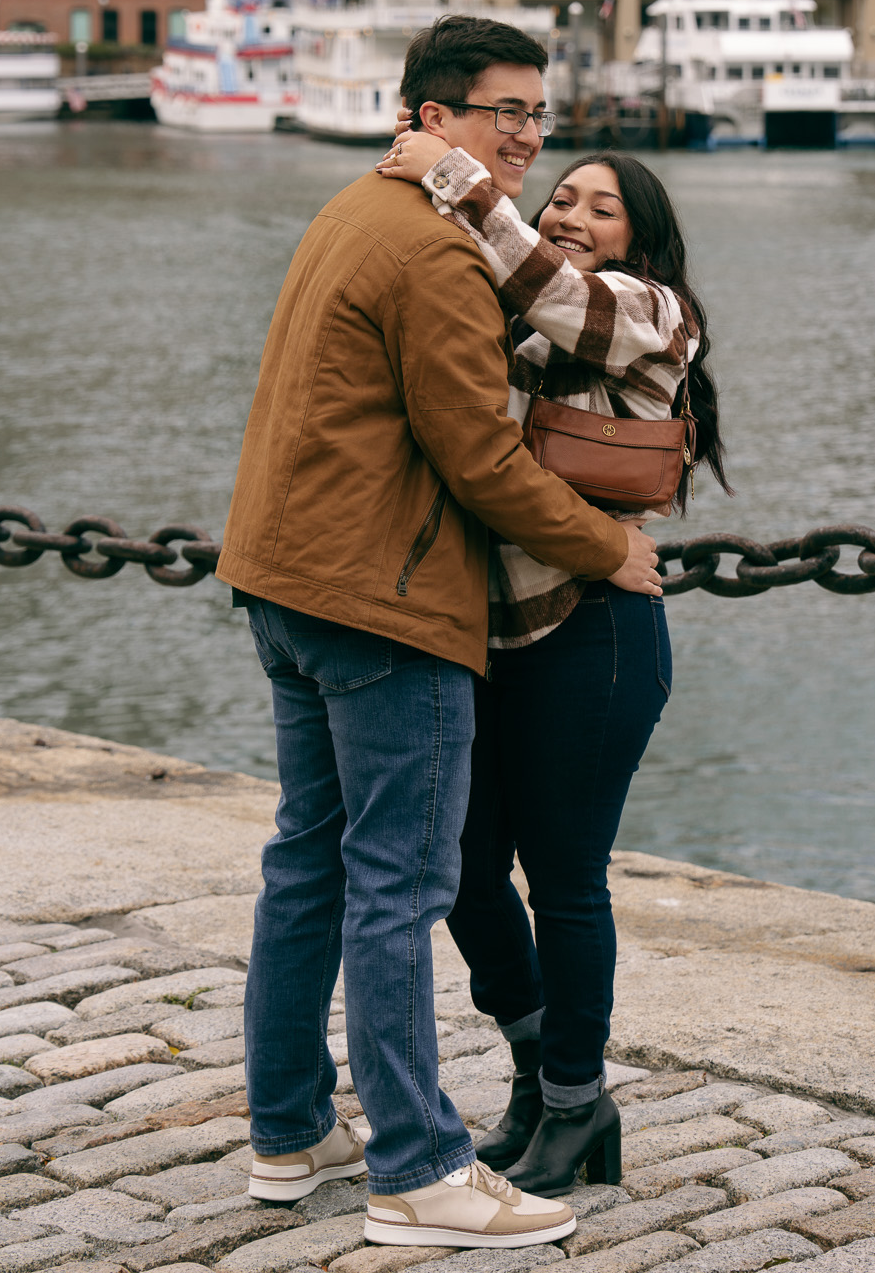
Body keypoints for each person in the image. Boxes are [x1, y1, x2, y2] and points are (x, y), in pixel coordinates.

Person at [217, 16, 664, 1250]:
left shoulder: (353, 212)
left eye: (536, 112)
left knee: (307, 859)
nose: (523, 133)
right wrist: (607, 545)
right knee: (397, 881)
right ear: (428, 117)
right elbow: (477, 457)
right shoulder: (434, 253)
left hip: (288, 582)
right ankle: (419, 1167)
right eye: (499, 111)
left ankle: (289, 1127)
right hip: (384, 600)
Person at [376, 130, 728, 1193]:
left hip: (597, 635)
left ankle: (575, 1100)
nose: (571, 213)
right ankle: (542, 1070)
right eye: (562, 196)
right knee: (469, 869)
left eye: (600, 206)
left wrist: (458, 177)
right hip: (491, 632)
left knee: (566, 880)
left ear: (644, 237)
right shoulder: (516, 314)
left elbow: (562, 299)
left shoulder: (657, 313)